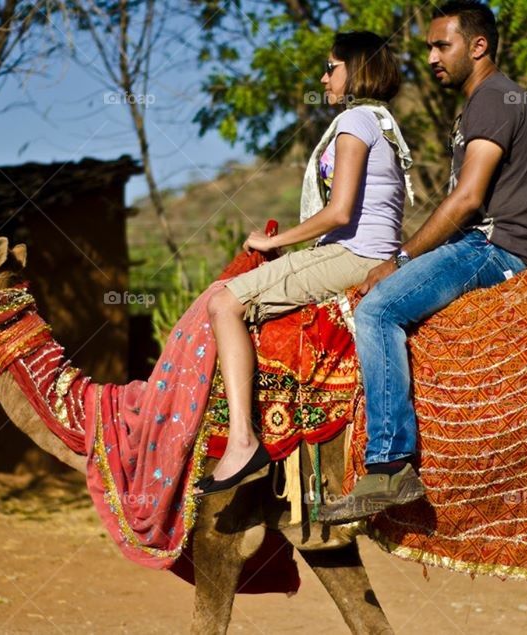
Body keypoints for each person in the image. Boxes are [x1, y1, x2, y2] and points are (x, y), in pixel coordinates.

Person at [320, 0, 527, 523]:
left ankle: (389, 467)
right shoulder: (489, 98)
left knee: (377, 310)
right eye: (427, 46)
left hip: (496, 250)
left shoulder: (492, 98)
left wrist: (401, 257)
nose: (430, 57)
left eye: (441, 45)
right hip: (491, 244)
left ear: (478, 46)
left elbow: (468, 200)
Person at [195, 31, 415, 496]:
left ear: (356, 69)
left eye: (331, 66)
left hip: (353, 255)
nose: (324, 77)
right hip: (366, 252)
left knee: (222, 304)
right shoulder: (384, 122)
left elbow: (339, 213)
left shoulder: (357, 120)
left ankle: (241, 441)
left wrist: (270, 241)